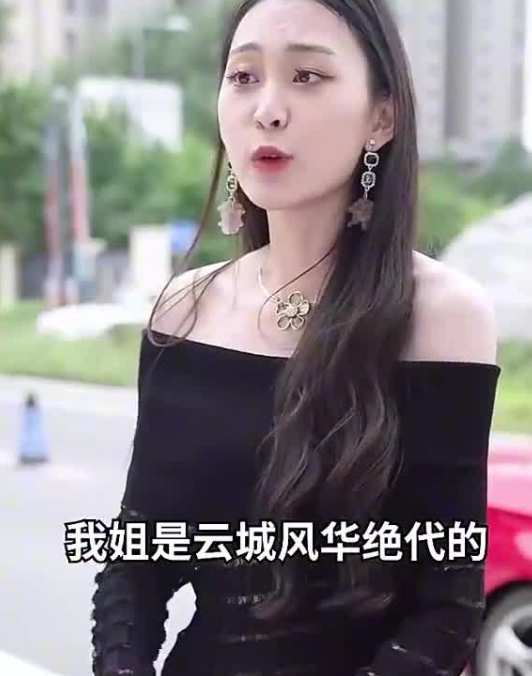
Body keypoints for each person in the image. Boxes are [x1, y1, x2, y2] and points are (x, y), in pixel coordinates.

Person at [90, 1, 501, 675]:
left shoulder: (443, 315)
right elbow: (136, 562)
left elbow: (448, 607)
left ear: (382, 117)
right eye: (244, 77)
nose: (268, 110)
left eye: (307, 77)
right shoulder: (186, 308)